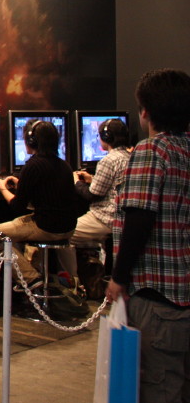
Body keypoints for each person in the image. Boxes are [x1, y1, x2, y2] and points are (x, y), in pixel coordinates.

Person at [106, 69, 190, 403]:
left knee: (158, 387)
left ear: (146, 111)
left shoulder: (151, 150)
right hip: (182, 295)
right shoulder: (185, 149)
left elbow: (139, 220)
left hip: (155, 298)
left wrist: (118, 278)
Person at [0, 119, 78, 284]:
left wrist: (2, 187)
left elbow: (17, 206)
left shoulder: (33, 166)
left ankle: (31, 279)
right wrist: (22, 184)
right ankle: (41, 277)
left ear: (32, 141)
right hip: (68, 228)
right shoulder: (64, 165)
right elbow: (46, 193)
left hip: (46, 227)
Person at [58, 118, 131, 281]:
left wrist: (76, 181)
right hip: (123, 217)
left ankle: (74, 282)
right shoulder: (130, 156)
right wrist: (92, 179)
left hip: (105, 218)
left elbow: (92, 195)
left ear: (106, 137)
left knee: (62, 235)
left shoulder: (108, 160)